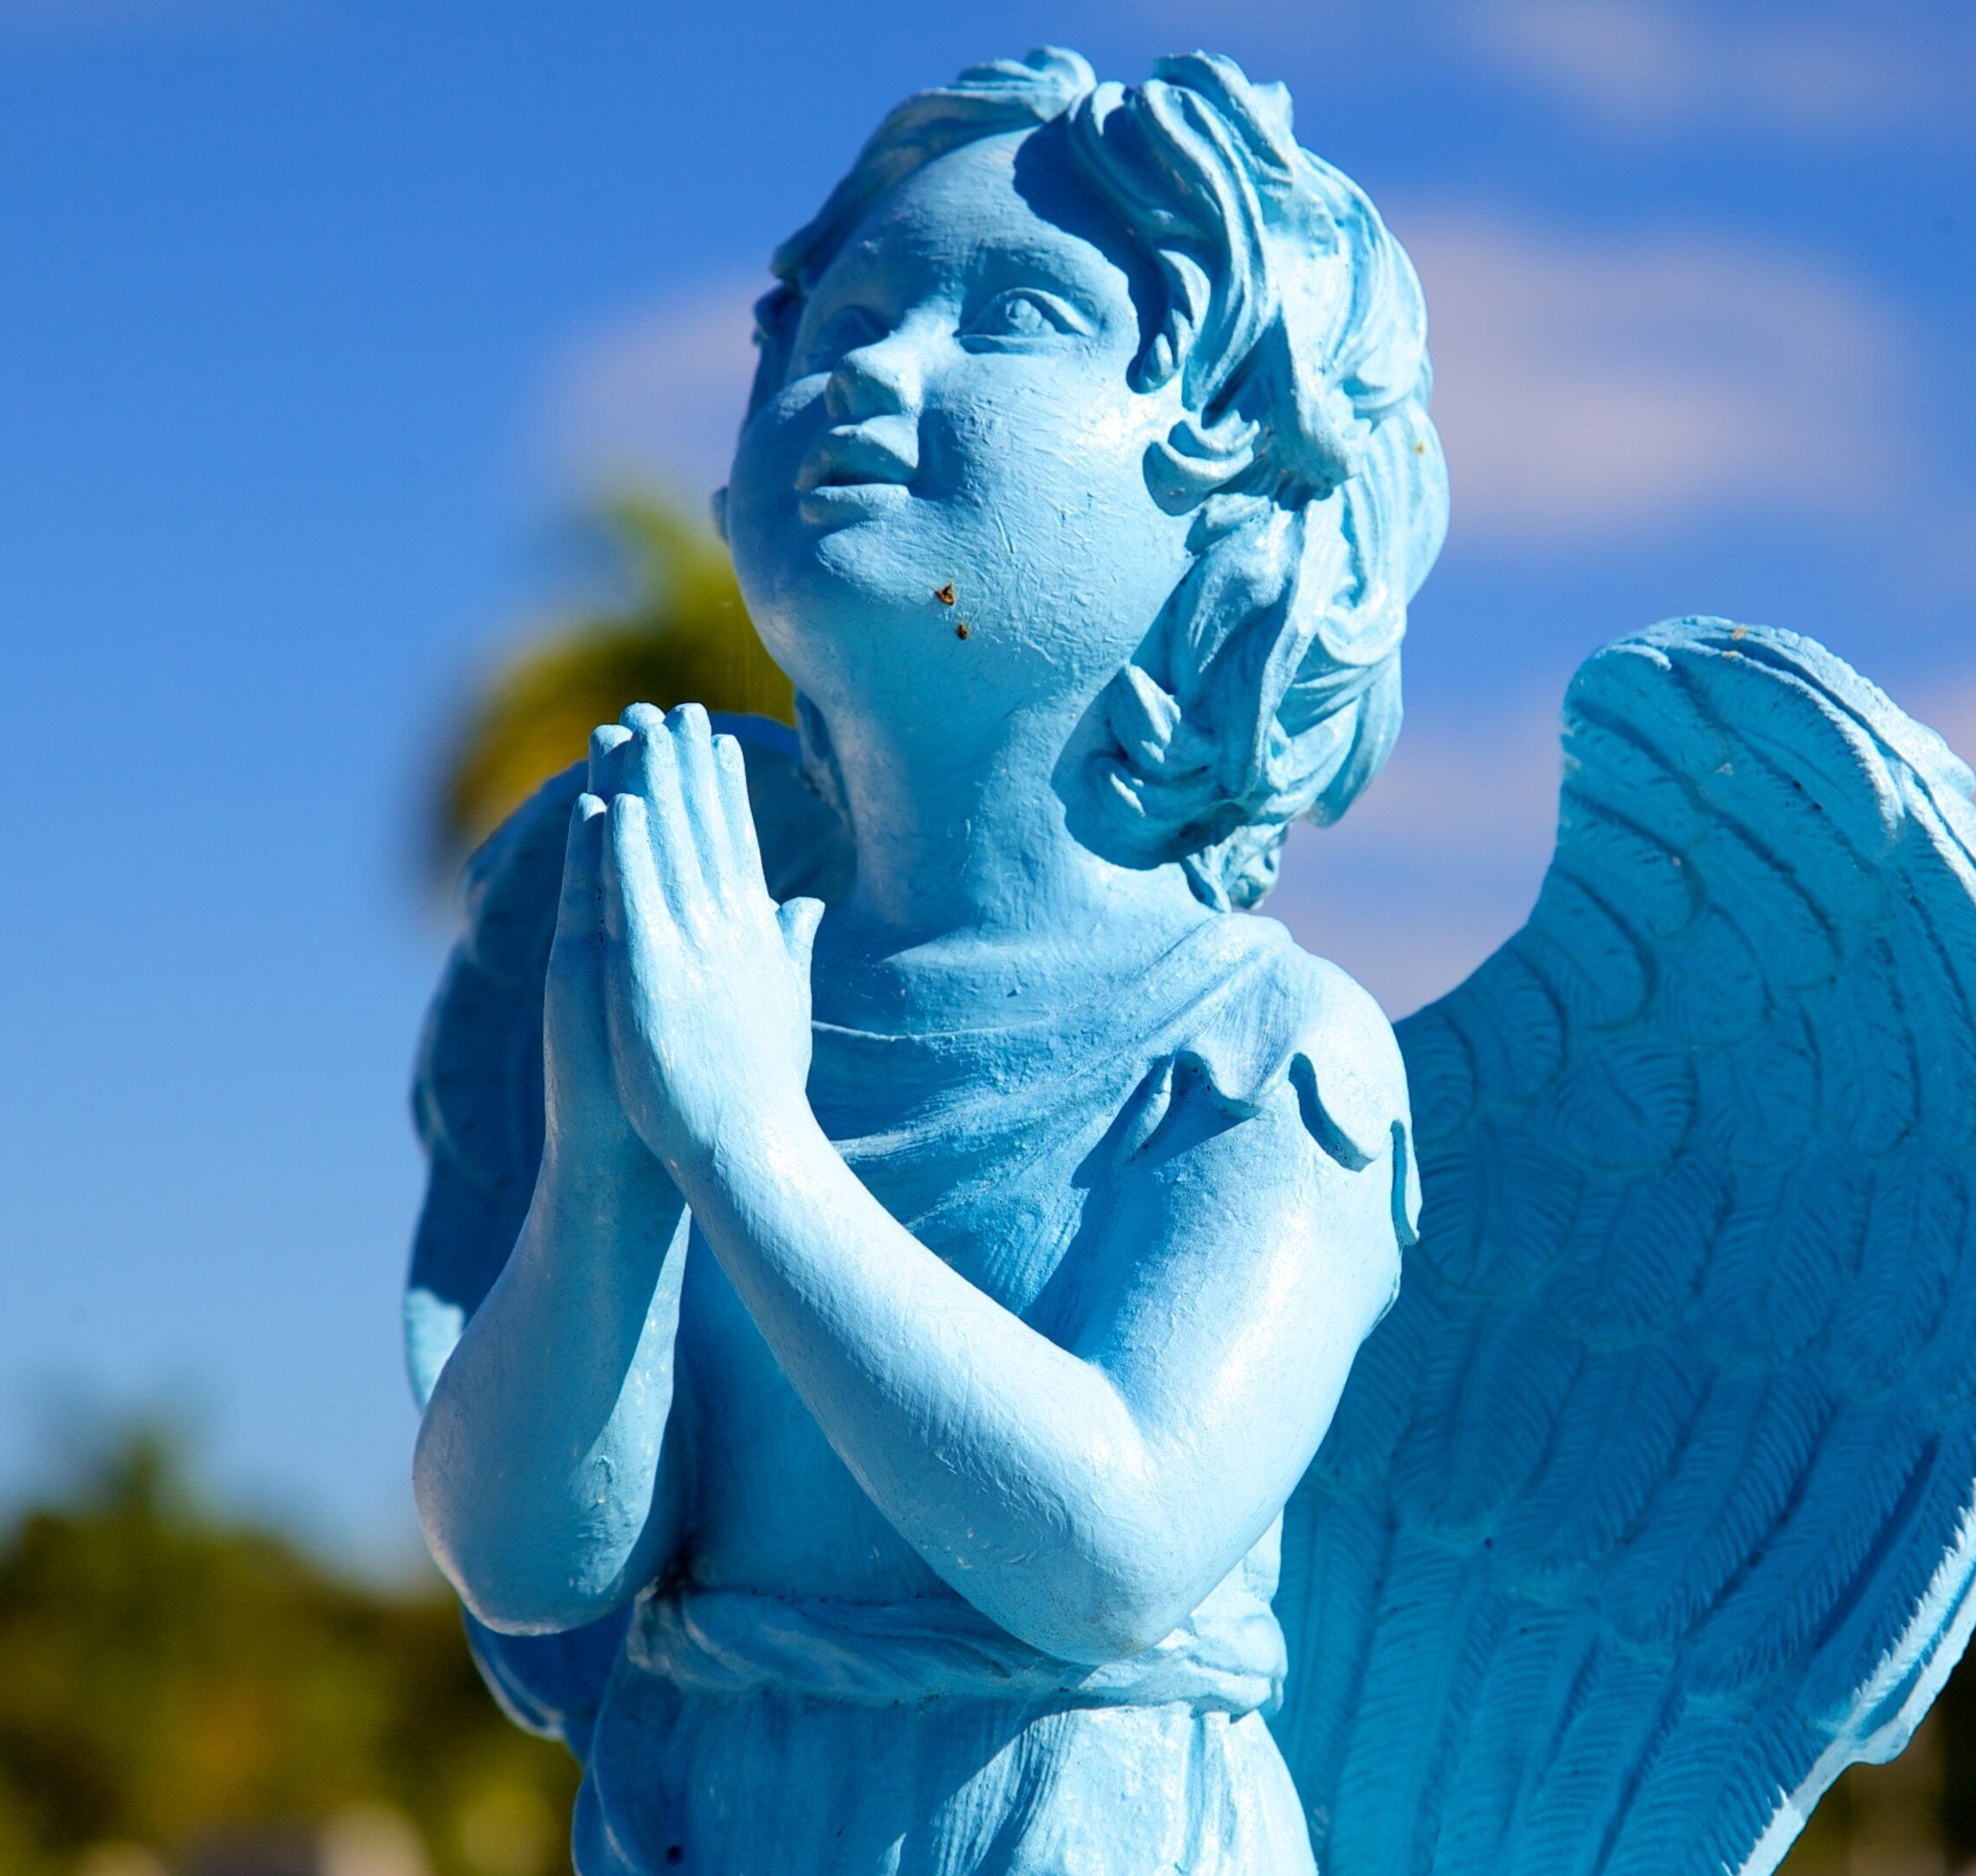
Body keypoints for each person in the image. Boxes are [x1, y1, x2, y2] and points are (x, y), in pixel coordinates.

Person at [412, 48, 1444, 1875]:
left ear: (1254, 507)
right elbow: (533, 1554)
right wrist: (611, 1165)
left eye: (1020, 317)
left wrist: (745, 1141)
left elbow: (1114, 1547)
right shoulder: (707, 937)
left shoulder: (1269, 1051)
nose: (873, 368)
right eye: (846, 316)